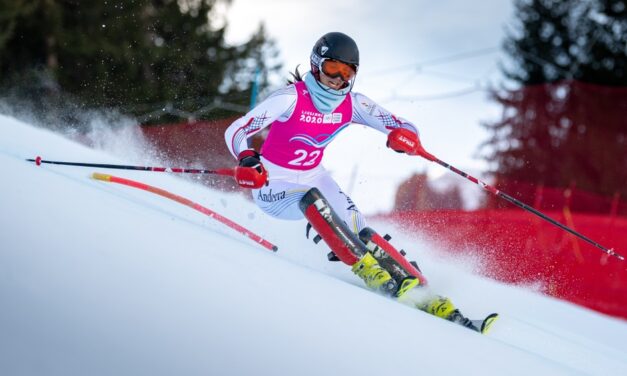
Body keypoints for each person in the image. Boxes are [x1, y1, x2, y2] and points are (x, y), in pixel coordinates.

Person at [224, 32, 495, 333]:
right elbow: (237, 129)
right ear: (316, 65)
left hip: (314, 176)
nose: (338, 79)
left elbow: (401, 124)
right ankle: (366, 268)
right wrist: (248, 157)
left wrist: (405, 137)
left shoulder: (353, 105)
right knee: (314, 198)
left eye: (347, 72)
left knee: (356, 223)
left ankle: (421, 288)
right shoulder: (290, 99)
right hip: (274, 185)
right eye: (332, 69)